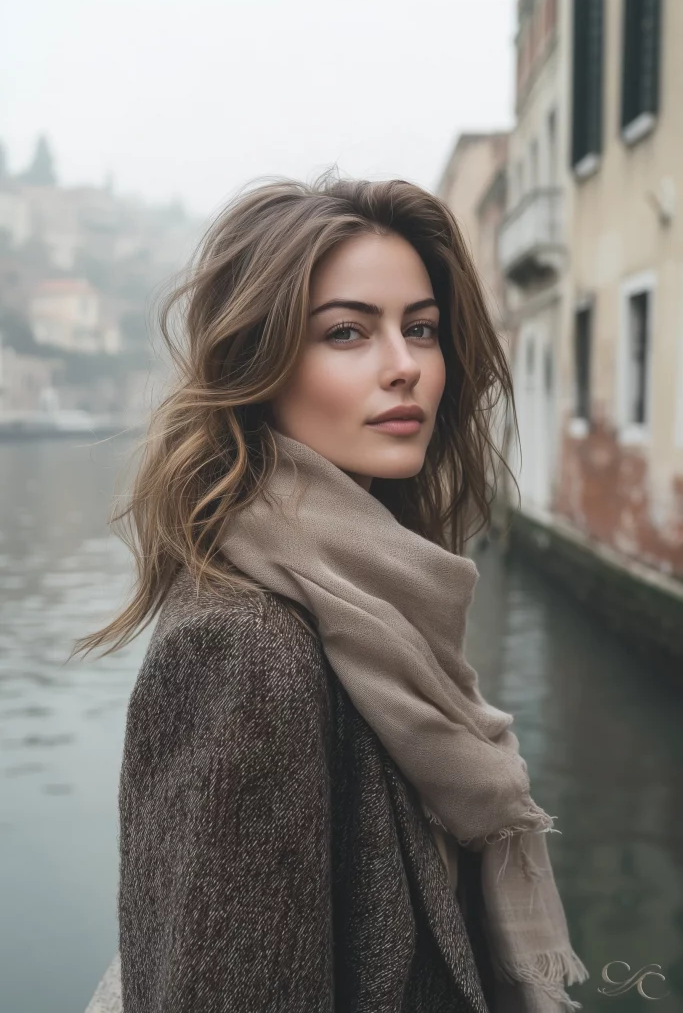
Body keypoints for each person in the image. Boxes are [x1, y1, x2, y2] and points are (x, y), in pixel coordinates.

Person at [75, 172, 589, 1013]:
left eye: (420, 330)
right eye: (348, 332)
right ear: (257, 365)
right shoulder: (244, 647)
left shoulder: (388, 597)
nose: (406, 368)